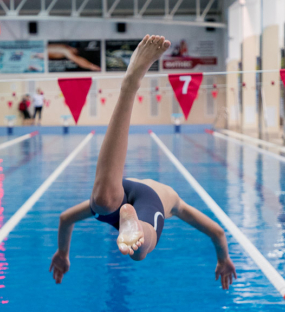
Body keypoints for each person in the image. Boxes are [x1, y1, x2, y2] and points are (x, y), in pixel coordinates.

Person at [49, 35, 237, 290]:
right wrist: (223, 259)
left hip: (130, 192)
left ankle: (129, 86)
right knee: (135, 245)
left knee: (109, 208)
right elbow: (217, 232)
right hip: (140, 195)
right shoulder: (175, 204)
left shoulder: (172, 200)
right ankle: (129, 86)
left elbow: (65, 219)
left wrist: (63, 253)